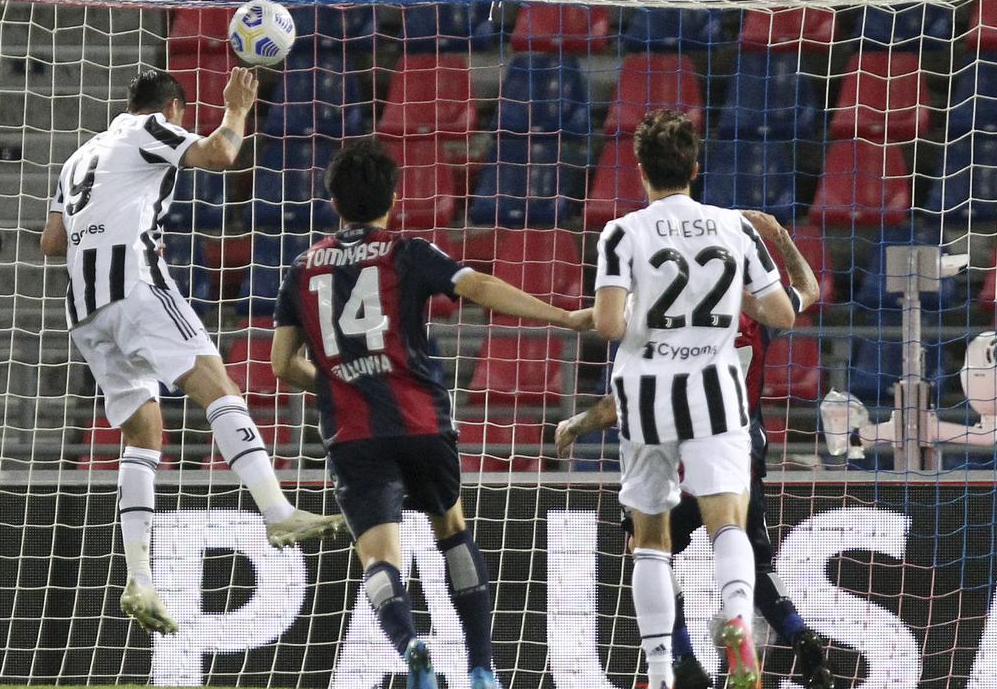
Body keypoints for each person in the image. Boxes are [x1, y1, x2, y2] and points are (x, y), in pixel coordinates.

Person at [268, 138, 592, 689]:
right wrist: (564, 317)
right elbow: (480, 287)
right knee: (452, 530)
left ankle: (412, 645)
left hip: (352, 433)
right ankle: (483, 668)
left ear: (334, 202)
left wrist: (344, 378)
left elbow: (281, 363)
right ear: (392, 198)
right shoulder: (407, 250)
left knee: (378, 558)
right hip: (420, 420)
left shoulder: (301, 267)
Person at [40, 68, 345, 635]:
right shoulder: (147, 128)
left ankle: (140, 579)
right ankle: (278, 513)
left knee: (143, 436)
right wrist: (236, 109)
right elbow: (220, 155)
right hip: (133, 285)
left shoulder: (77, 157)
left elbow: (52, 242)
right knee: (219, 388)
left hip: (83, 310)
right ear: (174, 107)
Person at [557, 210, 836, 689]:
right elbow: (807, 291)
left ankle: (680, 661)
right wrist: (782, 238)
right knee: (747, 551)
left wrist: (579, 423)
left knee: (649, 550)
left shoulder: (671, 320)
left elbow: (625, 398)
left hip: (677, 449)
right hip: (739, 448)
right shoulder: (753, 314)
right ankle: (802, 644)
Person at [589, 109, 798, 689]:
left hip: (646, 392)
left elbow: (608, 326)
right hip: (716, 389)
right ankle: (737, 624)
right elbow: (781, 312)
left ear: (640, 173)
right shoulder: (735, 227)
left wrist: (641, 310)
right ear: (696, 169)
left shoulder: (622, 233)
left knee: (650, 538)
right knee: (727, 524)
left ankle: (659, 672)